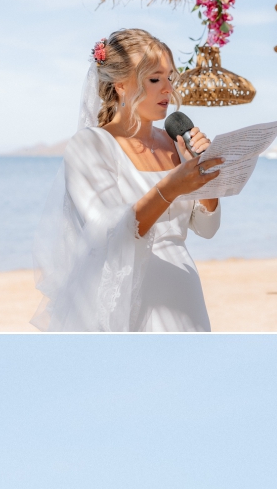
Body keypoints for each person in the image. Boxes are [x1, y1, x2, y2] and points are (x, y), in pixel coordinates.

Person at [32, 29, 225, 332]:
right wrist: (171, 186)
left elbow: (208, 228)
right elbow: (105, 230)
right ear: (121, 85)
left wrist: (203, 173)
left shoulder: (176, 144)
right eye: (154, 79)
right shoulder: (90, 145)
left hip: (185, 302)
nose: (167, 89)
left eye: (170, 78)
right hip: (129, 304)